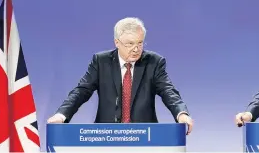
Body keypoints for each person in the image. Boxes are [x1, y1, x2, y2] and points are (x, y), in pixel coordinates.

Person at [47, 17, 193, 134]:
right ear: (117, 42)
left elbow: (168, 90)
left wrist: (181, 113)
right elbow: (81, 91)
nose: (136, 49)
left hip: (145, 137)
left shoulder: (154, 62)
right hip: (106, 136)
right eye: (130, 44)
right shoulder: (101, 61)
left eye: (140, 43)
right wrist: (61, 115)